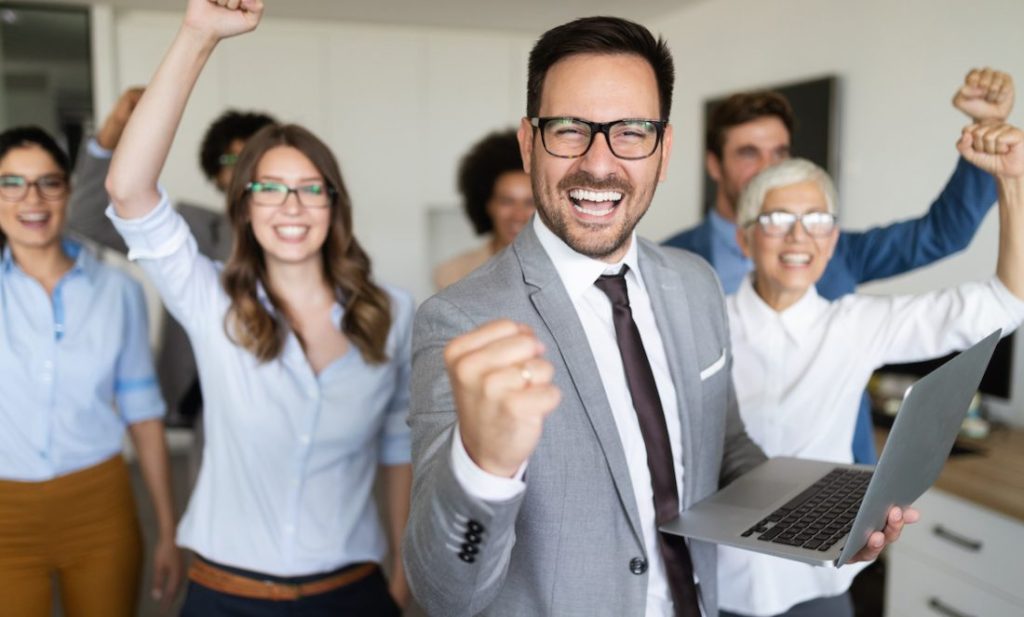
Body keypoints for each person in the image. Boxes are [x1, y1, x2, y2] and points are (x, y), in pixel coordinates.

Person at [402, 16, 912, 617]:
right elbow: (443, 595)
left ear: (664, 150)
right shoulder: (460, 320)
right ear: (528, 142)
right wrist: (484, 469)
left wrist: (821, 521)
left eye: (632, 132)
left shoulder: (695, 283)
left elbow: (724, 449)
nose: (599, 163)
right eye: (569, 130)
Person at [103, 1, 412, 614]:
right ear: (243, 207)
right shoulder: (210, 298)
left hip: (353, 593)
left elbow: (397, 450)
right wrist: (199, 34)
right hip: (226, 595)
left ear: (334, 205)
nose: (290, 206)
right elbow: (128, 190)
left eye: (308, 190)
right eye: (268, 189)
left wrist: (401, 570)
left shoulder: (393, 313)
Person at [720, 121, 1024, 617]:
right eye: (778, 219)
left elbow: (1005, 304)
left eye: (817, 220)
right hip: (713, 579)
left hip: (817, 578)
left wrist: (1013, 184)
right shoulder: (703, 321)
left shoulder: (856, 324)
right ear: (745, 237)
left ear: (834, 237)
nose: (800, 236)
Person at [663, 68, 1014, 466]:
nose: (767, 167)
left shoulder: (835, 249)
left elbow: (941, 234)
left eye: (779, 152)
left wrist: (988, 131)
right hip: (719, 481)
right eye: (748, 153)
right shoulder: (672, 262)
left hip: (829, 483)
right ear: (714, 164)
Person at [0, 126, 181, 616]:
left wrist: (167, 530)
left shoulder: (118, 291)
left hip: (99, 505)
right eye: (11, 183)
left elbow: (143, 415)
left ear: (68, 191)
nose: (31, 199)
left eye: (48, 182)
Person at [66, 87, 277, 425]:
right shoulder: (188, 229)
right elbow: (89, 218)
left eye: (257, 158)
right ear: (215, 173)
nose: (245, 170)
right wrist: (113, 131)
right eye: (232, 159)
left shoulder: (306, 231)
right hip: (211, 404)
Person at [434, 129, 534, 289]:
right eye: (506, 201)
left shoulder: (566, 272)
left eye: (530, 202)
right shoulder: (453, 274)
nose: (518, 215)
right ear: (487, 203)